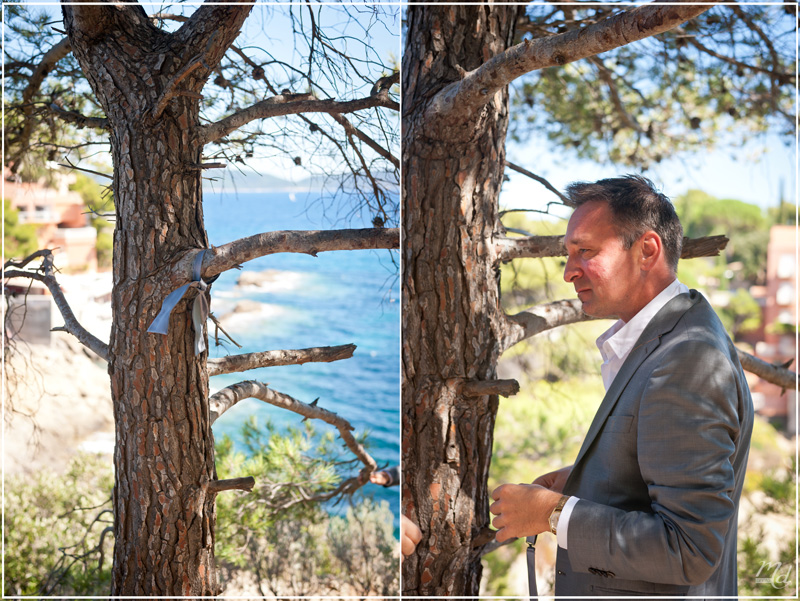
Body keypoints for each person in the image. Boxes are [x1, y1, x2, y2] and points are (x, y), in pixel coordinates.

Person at [489, 175, 753, 597]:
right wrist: (589, 479)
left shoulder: (687, 359)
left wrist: (554, 515)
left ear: (647, 250)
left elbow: (689, 549)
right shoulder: (670, 338)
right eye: (568, 253)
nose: (568, 271)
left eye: (586, 251)